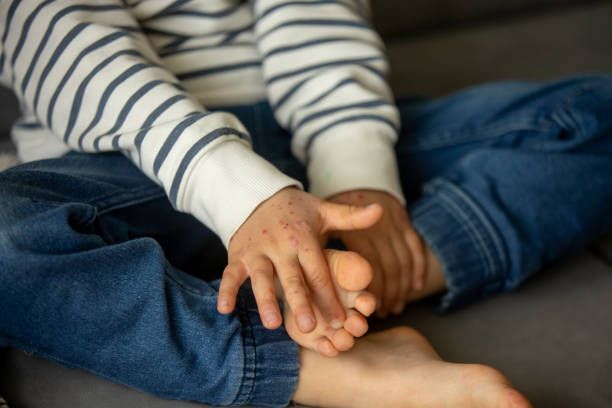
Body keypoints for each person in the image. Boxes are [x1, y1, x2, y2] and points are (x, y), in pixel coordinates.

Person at [1, 0, 610, 406]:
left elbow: (319, 24)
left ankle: (352, 273)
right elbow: (70, 50)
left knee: (593, 112)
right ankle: (325, 363)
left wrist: (358, 173)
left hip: (301, 128)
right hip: (130, 160)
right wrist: (239, 193)